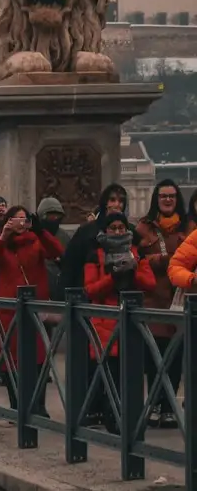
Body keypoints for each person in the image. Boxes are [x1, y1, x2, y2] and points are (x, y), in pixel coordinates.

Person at [0, 205, 64, 414]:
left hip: (34, 308)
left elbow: (57, 251)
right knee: (10, 360)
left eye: (24, 219)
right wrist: (3, 236)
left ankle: (38, 406)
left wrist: (41, 231)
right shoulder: (2, 242)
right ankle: (16, 405)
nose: (21, 222)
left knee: (38, 358)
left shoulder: (36, 241)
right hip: (9, 310)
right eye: (16, 219)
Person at [83, 211, 157, 434]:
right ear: (105, 231)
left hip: (131, 322)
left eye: (121, 227)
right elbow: (90, 290)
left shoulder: (136, 252)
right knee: (110, 375)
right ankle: (112, 417)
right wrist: (113, 276)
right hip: (105, 321)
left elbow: (150, 284)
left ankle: (128, 419)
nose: (117, 231)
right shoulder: (94, 254)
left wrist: (132, 271)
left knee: (131, 375)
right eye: (113, 227)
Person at [143, 180, 194, 428]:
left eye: (172, 196)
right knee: (153, 356)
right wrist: (168, 259)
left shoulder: (189, 227)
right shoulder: (143, 228)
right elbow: (139, 260)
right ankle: (153, 403)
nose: (167, 200)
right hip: (153, 300)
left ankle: (169, 407)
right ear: (156, 198)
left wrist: (163, 260)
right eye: (163, 196)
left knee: (174, 358)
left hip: (179, 300)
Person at [63, 184, 128, 292]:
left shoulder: (130, 231)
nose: (117, 205)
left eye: (121, 201)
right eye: (112, 200)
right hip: (89, 293)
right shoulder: (86, 231)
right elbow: (70, 266)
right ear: (105, 203)